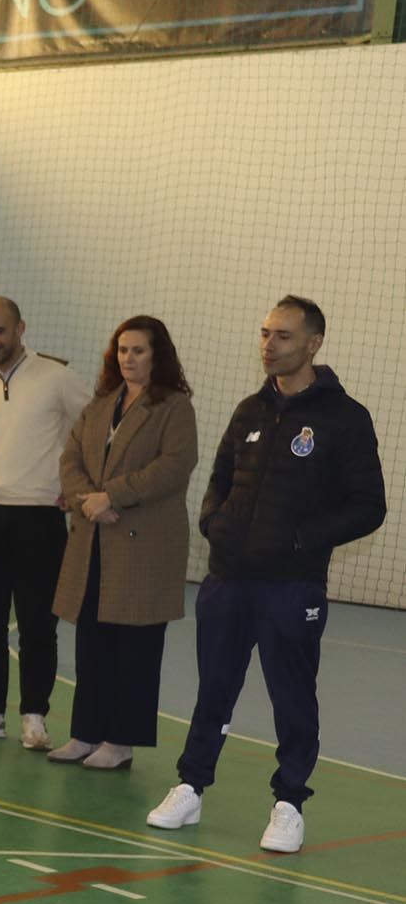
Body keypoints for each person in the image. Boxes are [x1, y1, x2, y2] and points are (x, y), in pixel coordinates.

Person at [148, 297, 385, 852]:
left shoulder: (345, 419)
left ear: (312, 343)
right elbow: (220, 478)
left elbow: (368, 506)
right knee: (215, 689)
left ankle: (289, 803)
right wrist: (215, 523)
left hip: (292, 586)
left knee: (292, 695)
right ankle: (190, 785)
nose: (268, 345)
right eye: (264, 333)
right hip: (228, 579)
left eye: (281, 336)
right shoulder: (248, 411)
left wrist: (302, 539)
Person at [46, 316, 196, 769]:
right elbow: (71, 457)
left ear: (158, 356)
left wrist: (114, 496)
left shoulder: (174, 407)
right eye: (122, 350)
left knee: (136, 647)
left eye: (138, 351)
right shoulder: (100, 405)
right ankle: (86, 733)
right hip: (94, 541)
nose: (128, 359)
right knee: (92, 641)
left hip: (144, 546)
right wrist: (87, 501)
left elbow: (175, 465)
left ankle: (121, 741)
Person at [0, 297, 90, 748]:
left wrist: (76, 485)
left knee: (37, 624)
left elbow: (93, 428)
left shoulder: (56, 377)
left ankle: (34, 716)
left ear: (21, 329)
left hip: (40, 520)